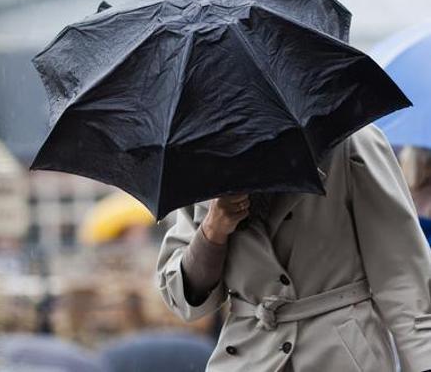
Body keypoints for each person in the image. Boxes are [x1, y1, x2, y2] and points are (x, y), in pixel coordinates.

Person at [156, 125, 431, 371]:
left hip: (342, 354)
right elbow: (185, 301)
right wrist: (212, 231)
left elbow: (403, 281)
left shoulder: (350, 140)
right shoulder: (199, 160)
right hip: (247, 356)